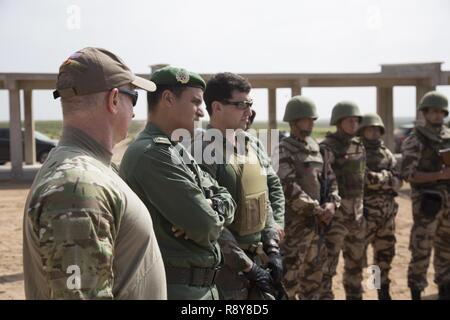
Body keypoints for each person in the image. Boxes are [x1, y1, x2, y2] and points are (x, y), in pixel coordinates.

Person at [23, 47, 167, 299]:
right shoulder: (79, 185)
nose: (134, 111)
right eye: (132, 97)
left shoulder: (88, 171)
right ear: (113, 100)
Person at [119, 66, 235, 300]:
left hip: (198, 289)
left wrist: (210, 205)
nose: (202, 112)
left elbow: (227, 198)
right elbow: (206, 225)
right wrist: (206, 211)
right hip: (176, 290)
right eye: (195, 102)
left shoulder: (176, 149)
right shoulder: (152, 153)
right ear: (169, 99)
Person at [194, 72, 284, 299]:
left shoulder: (252, 143)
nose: (249, 111)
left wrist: (272, 245)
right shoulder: (202, 149)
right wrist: (247, 266)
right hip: (226, 270)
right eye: (241, 104)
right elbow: (210, 220)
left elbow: (263, 194)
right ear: (217, 107)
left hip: (259, 257)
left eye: (250, 103)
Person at [277, 96, 340, 300]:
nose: (312, 123)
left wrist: (332, 203)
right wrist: (316, 209)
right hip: (295, 227)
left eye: (313, 119)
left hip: (318, 226)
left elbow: (330, 180)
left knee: (315, 279)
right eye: (307, 119)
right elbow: (287, 186)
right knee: (289, 280)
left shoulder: (317, 148)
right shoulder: (282, 149)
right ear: (294, 121)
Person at [401, 91, 450, 300]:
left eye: (441, 112)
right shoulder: (415, 139)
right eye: (433, 111)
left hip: (448, 203)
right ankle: (416, 292)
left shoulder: (447, 136)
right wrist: (439, 174)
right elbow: (408, 174)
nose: (438, 115)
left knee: (447, 250)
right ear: (425, 112)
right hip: (427, 204)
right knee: (421, 250)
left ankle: (445, 290)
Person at [319, 101, 367, 300]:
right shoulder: (326, 148)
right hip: (336, 218)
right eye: (350, 120)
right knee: (327, 266)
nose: (354, 124)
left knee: (356, 264)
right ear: (338, 122)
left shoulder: (359, 146)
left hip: (357, 215)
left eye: (356, 121)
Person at [358, 113, 402, 300]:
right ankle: (357, 292)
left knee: (383, 257)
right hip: (365, 216)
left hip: (386, 216)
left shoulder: (387, 153)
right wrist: (387, 178)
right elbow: (366, 179)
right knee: (357, 259)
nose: (374, 133)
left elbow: (399, 181)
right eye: (370, 129)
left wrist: (382, 178)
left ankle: (379, 290)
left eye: (377, 129)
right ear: (363, 131)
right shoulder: (357, 152)